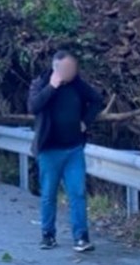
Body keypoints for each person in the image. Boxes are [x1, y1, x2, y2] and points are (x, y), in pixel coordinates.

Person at [27, 50, 104, 252]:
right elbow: (33, 107)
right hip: (49, 150)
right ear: (56, 68)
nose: (71, 72)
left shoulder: (77, 85)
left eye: (73, 68)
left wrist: (85, 122)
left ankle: (81, 237)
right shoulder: (41, 83)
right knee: (49, 194)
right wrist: (52, 86)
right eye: (66, 69)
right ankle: (48, 234)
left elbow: (97, 100)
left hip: (73, 149)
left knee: (77, 193)